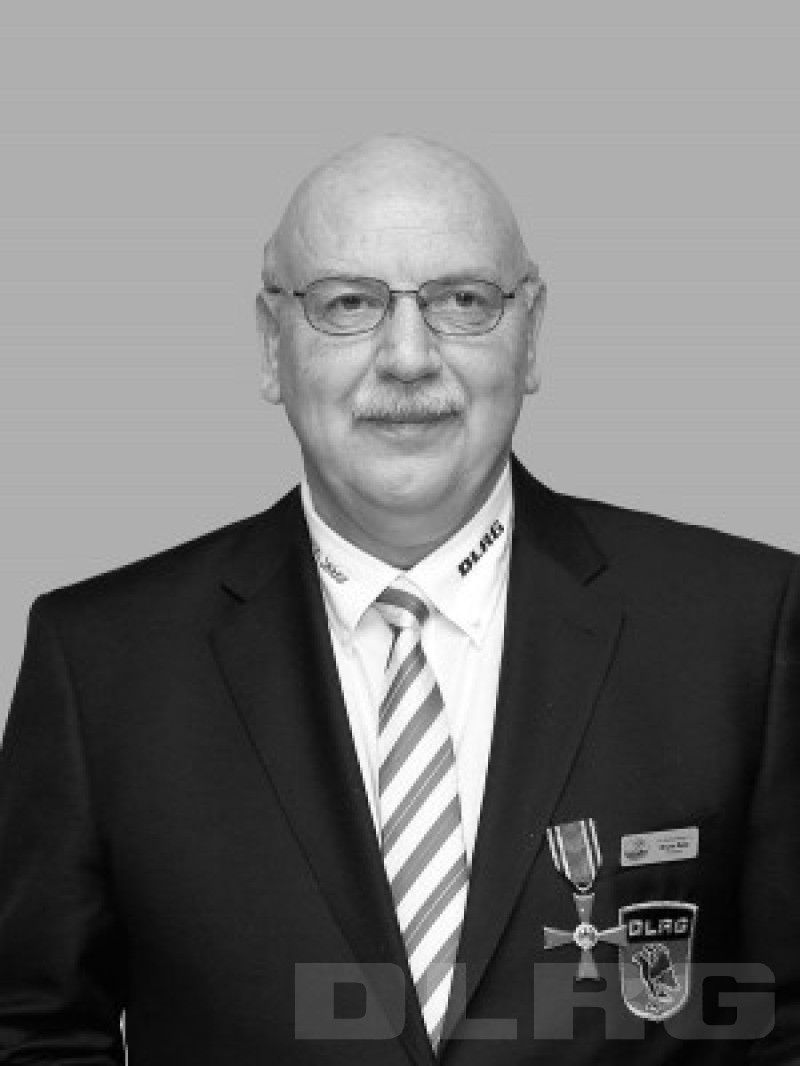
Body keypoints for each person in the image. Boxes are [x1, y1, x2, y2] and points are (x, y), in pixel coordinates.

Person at [0, 135, 797, 1066]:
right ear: (273, 344)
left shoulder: (743, 630)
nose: (409, 357)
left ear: (531, 333)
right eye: (348, 303)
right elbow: (32, 1032)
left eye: (464, 301)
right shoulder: (102, 665)